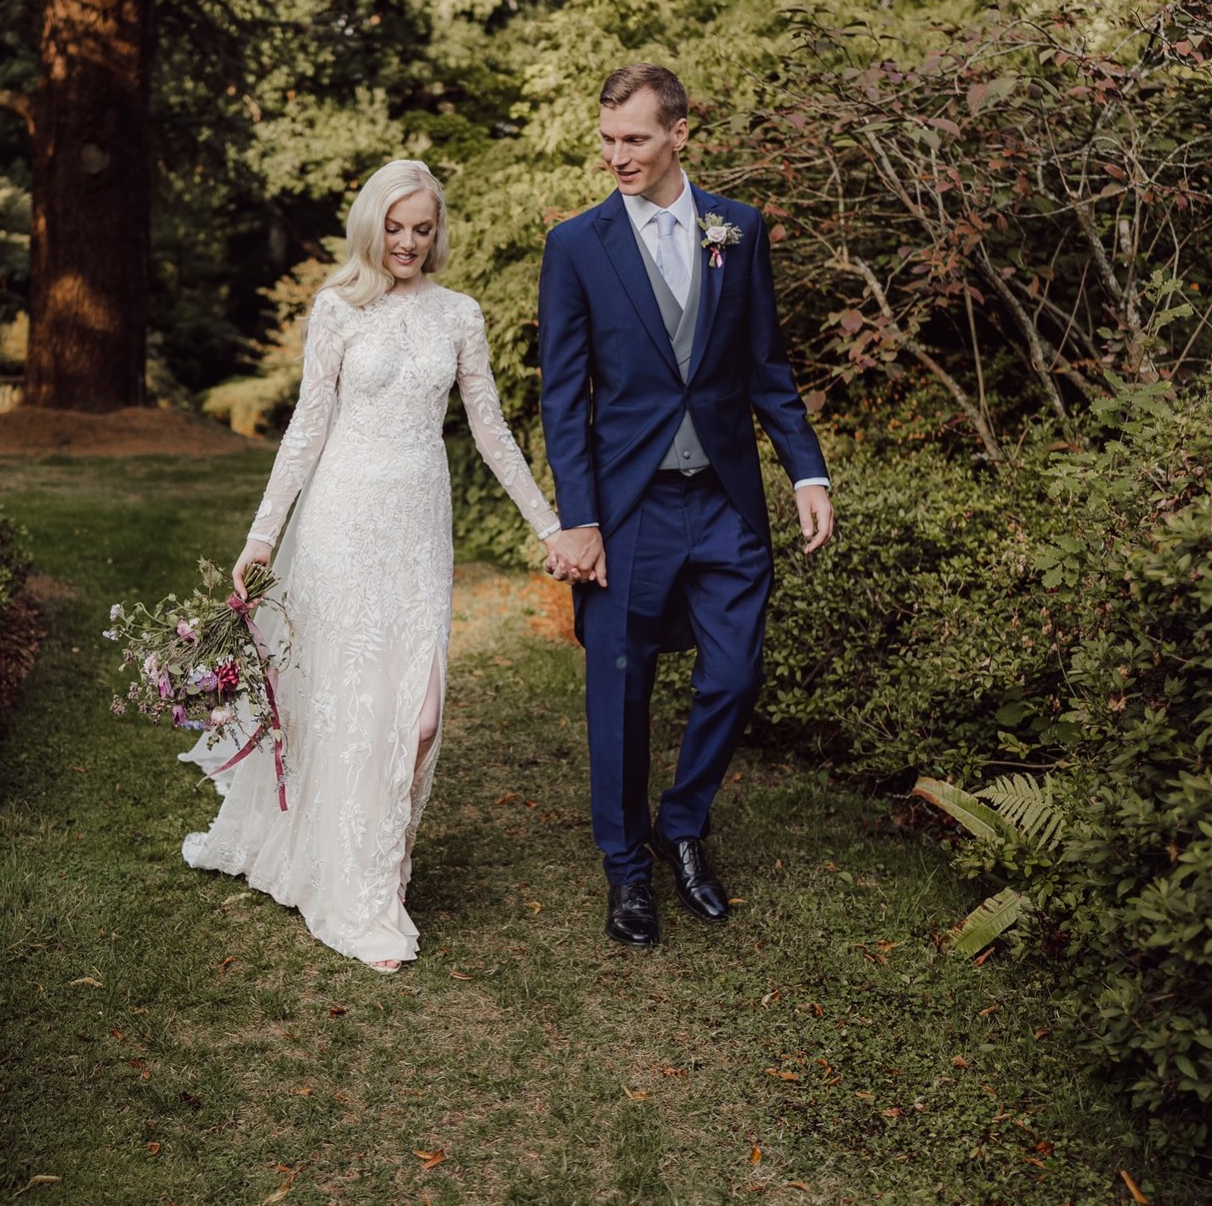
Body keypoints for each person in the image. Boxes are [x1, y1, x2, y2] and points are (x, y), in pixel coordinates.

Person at [182, 159, 573, 972]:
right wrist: (262, 536)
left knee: (419, 715)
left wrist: (549, 525)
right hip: (341, 520)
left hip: (417, 531)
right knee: (348, 703)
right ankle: (362, 888)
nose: (407, 242)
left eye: (421, 228)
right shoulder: (337, 308)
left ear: (436, 232)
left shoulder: (459, 314)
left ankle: (377, 861)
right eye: (394, 227)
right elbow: (306, 429)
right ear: (371, 227)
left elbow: (491, 430)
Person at [538, 64, 834, 947]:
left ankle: (681, 822)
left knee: (735, 674)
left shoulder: (735, 230)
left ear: (678, 134)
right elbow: (564, 397)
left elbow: (765, 365)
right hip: (627, 507)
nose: (616, 156)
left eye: (633, 138)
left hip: (725, 500)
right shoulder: (576, 245)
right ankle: (627, 871)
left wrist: (806, 473)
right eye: (606, 140)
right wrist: (578, 517)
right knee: (619, 692)